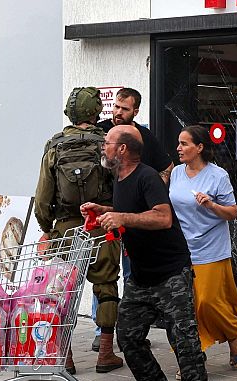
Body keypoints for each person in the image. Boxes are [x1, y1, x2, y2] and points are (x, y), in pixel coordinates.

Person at [81, 125, 217, 381]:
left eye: (108, 142)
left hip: (170, 272)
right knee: (128, 336)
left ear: (123, 149)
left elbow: (163, 216)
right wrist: (105, 211)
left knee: (183, 340)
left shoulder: (147, 177)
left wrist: (122, 217)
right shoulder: (120, 177)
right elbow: (131, 211)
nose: (103, 146)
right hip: (141, 276)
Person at [34, 87, 123, 374]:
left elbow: (43, 198)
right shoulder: (106, 143)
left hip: (66, 230)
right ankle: (105, 353)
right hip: (101, 224)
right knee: (106, 286)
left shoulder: (55, 146)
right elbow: (120, 185)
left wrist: (48, 229)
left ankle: (67, 356)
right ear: (96, 112)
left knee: (63, 291)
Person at [92, 87, 171, 351]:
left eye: (124, 109)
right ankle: (101, 330)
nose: (117, 112)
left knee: (130, 274)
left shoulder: (143, 138)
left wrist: (151, 192)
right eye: (115, 106)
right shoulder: (102, 131)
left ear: (135, 111)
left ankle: (132, 329)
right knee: (104, 273)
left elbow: (167, 168)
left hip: (132, 221)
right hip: (106, 215)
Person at [168, 124, 237, 370]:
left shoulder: (218, 176)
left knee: (207, 302)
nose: (178, 148)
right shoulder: (176, 173)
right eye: (178, 143)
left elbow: (232, 213)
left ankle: (234, 333)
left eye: (184, 144)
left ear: (200, 147)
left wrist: (211, 205)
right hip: (182, 249)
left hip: (211, 248)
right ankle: (192, 358)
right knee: (184, 307)